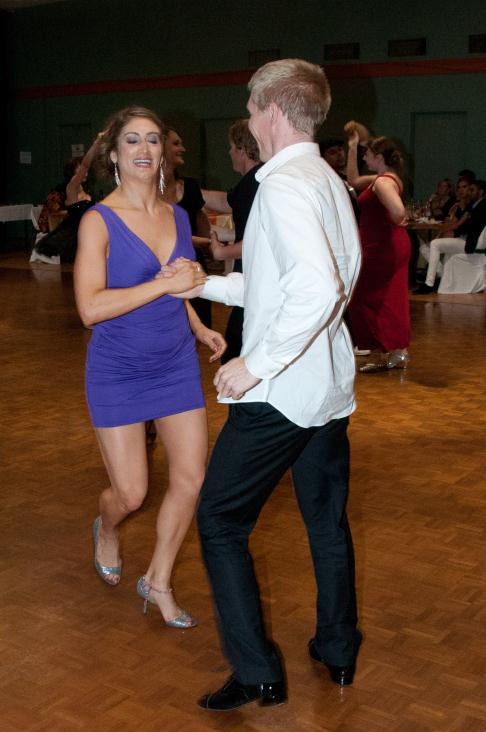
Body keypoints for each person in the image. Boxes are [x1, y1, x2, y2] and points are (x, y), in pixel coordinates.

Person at [171, 58, 362, 710]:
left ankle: (257, 673)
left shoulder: (281, 188)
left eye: (252, 109)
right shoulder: (324, 179)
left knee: (219, 520)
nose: (249, 120)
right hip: (327, 389)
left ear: (273, 111)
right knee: (326, 523)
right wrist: (207, 283)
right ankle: (338, 649)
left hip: (283, 396)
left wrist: (259, 363)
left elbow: (317, 290)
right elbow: (285, 285)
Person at [74, 106, 226, 629]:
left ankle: (158, 580)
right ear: (114, 154)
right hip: (118, 369)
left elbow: (176, 289)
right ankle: (107, 526)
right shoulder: (98, 221)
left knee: (190, 478)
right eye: (133, 140)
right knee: (131, 493)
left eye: (154, 140)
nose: (144, 149)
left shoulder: (177, 216)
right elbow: (90, 308)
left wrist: (198, 326)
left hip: (175, 362)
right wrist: (166, 284)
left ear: (164, 152)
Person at [345, 122, 411, 373]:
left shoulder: (383, 183)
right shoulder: (383, 178)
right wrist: (352, 147)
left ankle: (389, 350)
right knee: (385, 298)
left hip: (383, 247)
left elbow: (398, 211)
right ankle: (392, 351)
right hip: (385, 245)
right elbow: (353, 180)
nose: (364, 158)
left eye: (367, 154)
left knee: (368, 298)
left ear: (379, 158)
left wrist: (398, 219)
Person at [202, 119, 262, 362]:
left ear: (241, 148)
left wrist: (221, 253)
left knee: (236, 352)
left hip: (255, 280)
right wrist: (186, 190)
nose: (229, 153)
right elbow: (227, 201)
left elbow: (259, 241)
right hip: (254, 281)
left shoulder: (255, 181)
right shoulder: (253, 181)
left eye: (230, 147)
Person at [162, 126, 213, 327]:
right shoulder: (145, 192)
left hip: (194, 269)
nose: (182, 149)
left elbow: (202, 224)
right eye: (176, 144)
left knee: (200, 327)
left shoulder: (190, 187)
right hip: (161, 272)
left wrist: (209, 244)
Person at [32, 135, 103, 264]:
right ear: (73, 171)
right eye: (79, 169)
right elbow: (86, 165)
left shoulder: (85, 190)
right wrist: (96, 144)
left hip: (87, 232)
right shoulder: (72, 187)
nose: (85, 173)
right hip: (74, 236)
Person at [417, 179, 486, 293]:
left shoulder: (482, 206)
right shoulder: (473, 205)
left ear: (481, 192)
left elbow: (470, 226)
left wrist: (455, 231)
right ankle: (437, 280)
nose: (469, 192)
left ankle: (429, 283)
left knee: (435, 244)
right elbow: (464, 223)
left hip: (471, 242)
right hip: (466, 239)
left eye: (472, 190)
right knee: (436, 245)